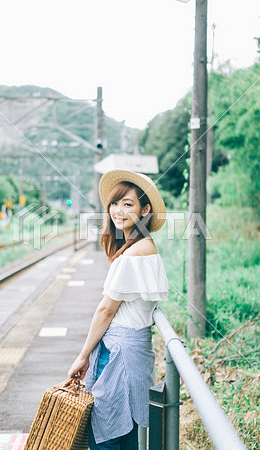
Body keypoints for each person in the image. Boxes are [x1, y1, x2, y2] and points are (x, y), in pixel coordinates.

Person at [68, 169, 169, 449]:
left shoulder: (131, 256)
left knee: (107, 434)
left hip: (117, 354)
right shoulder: (147, 247)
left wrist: (83, 355)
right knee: (128, 433)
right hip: (136, 351)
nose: (118, 211)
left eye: (128, 204)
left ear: (145, 209)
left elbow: (106, 311)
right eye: (115, 203)